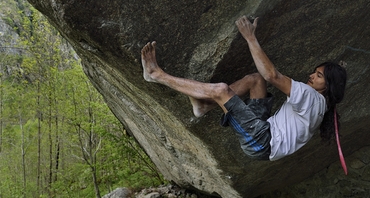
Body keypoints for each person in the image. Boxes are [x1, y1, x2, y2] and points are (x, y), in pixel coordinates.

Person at [141, 16, 347, 164]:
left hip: (262, 142)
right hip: (265, 131)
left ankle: (155, 74)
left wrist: (250, 37)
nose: (311, 75)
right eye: (314, 72)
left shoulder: (310, 97)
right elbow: (264, 79)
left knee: (222, 90)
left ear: (328, 86)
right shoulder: (321, 105)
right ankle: (204, 105)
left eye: (318, 76)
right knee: (256, 81)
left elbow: (272, 76)